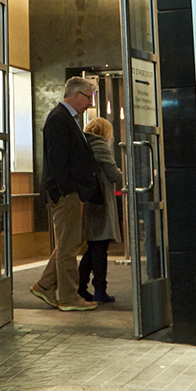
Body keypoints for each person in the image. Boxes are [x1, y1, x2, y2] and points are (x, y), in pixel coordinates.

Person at [30, 76, 100, 312]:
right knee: (69, 246)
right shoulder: (60, 119)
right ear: (77, 94)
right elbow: (56, 161)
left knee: (67, 243)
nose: (90, 103)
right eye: (89, 97)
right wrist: (68, 190)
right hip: (64, 193)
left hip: (67, 192)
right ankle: (69, 297)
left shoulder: (67, 118)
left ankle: (44, 285)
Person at [77, 117, 123, 304]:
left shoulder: (84, 143)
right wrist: (119, 171)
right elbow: (113, 174)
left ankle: (81, 287)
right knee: (99, 248)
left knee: (93, 247)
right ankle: (99, 289)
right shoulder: (100, 145)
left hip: (89, 201)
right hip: (101, 201)